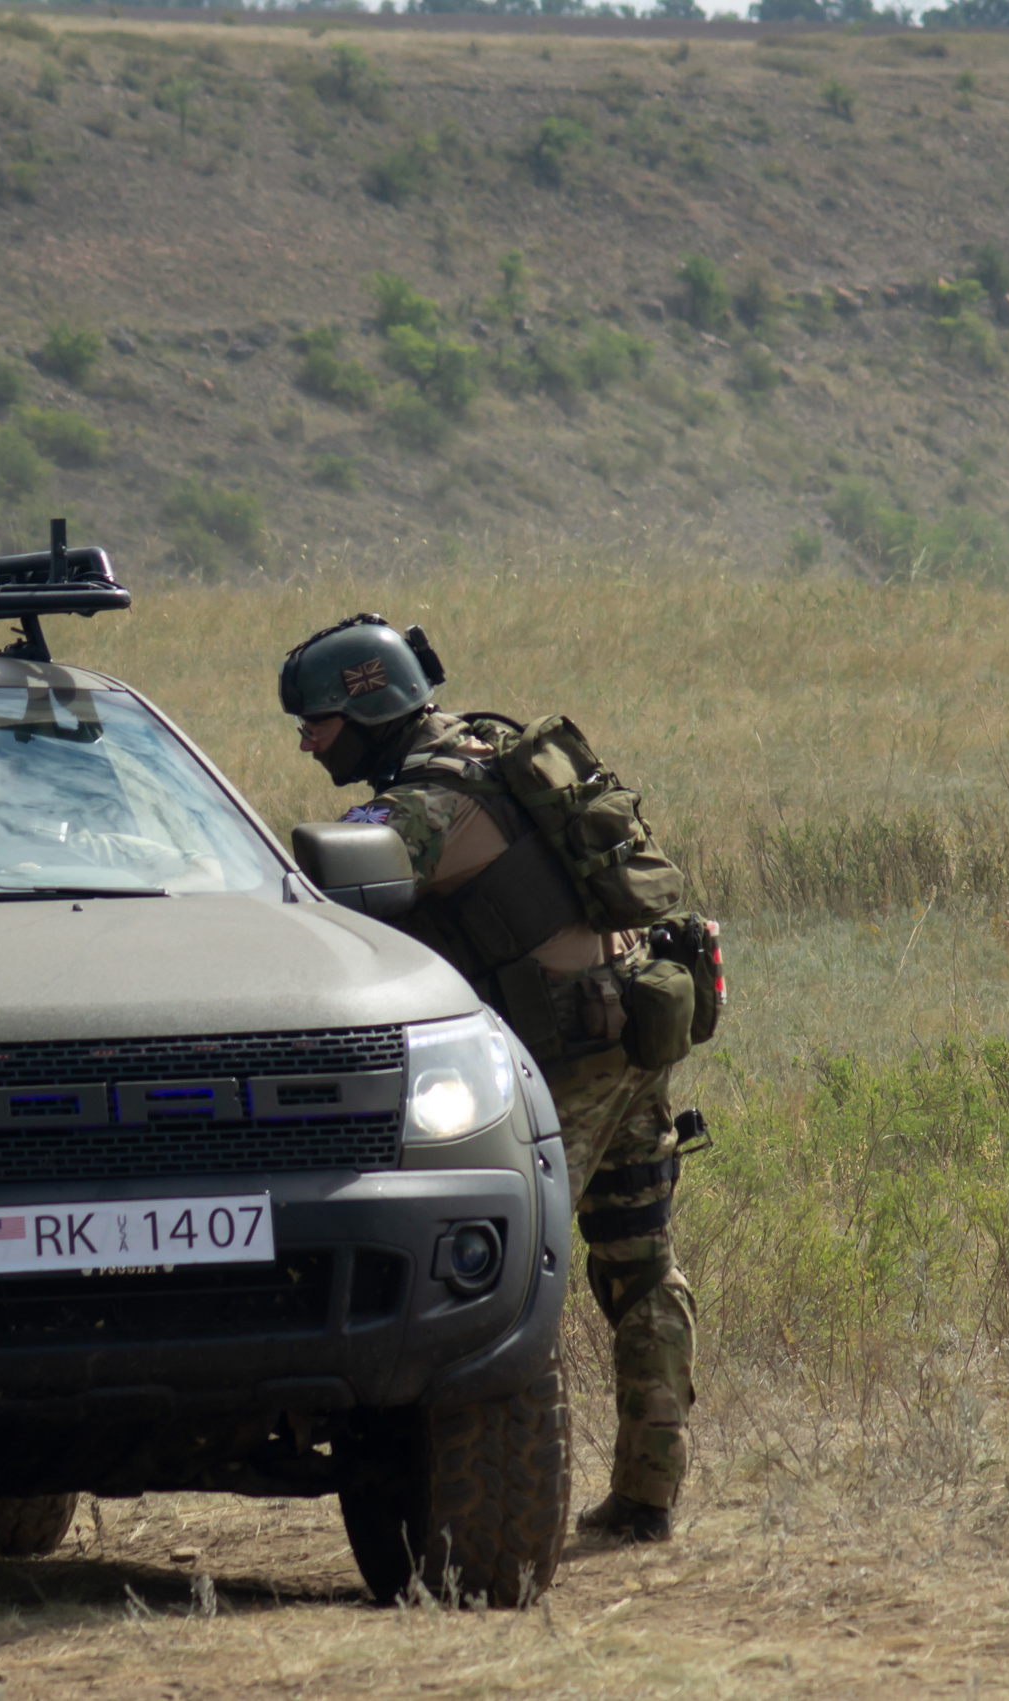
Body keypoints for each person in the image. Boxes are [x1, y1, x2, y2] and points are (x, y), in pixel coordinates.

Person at [281, 612, 696, 1545]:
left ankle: (506, 1499)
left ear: (370, 707)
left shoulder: (422, 806)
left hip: (571, 1060)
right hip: (637, 1028)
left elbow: (320, 904)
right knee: (641, 1263)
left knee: (510, 1278)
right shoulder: (497, 749)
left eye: (317, 721)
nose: (307, 740)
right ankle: (648, 1492)